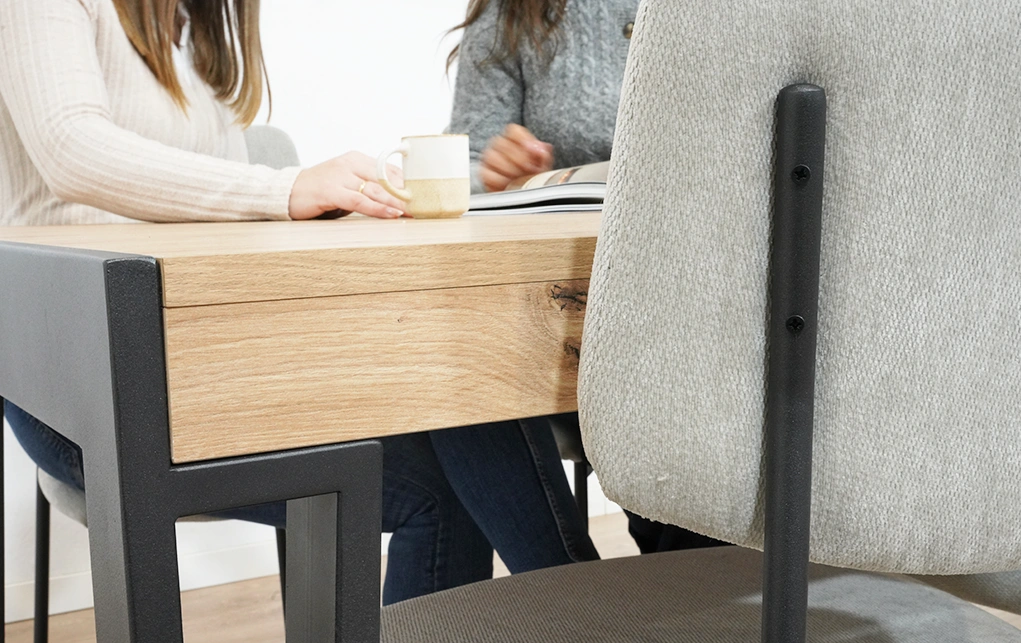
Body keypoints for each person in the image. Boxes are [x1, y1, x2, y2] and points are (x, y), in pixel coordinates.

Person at [0, 0, 598, 605]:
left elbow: (205, 211)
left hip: (188, 359)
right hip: (80, 391)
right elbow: (69, 149)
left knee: (455, 392)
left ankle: (577, 611)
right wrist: (284, 187)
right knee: (441, 477)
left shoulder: (187, 30)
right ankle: (587, 609)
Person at [447, 0, 727, 552]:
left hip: (708, 295)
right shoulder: (512, 14)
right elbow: (464, 163)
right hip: (573, 306)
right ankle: (572, 582)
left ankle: (677, 572)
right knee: (457, 354)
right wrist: (496, 173)